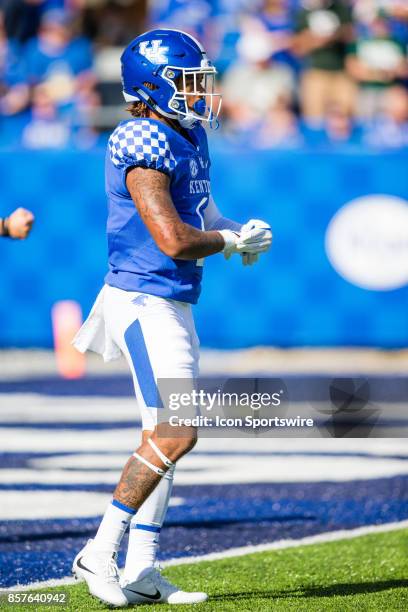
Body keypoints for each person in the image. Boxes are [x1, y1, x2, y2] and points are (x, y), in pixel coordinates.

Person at [71, 28, 272, 608]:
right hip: (143, 298)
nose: (201, 92)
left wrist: (237, 231)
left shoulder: (188, 133)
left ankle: (142, 568)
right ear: (153, 84)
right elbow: (174, 238)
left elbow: (200, 210)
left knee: (165, 435)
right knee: (177, 432)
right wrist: (227, 241)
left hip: (172, 299)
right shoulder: (141, 137)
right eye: (189, 81)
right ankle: (99, 552)